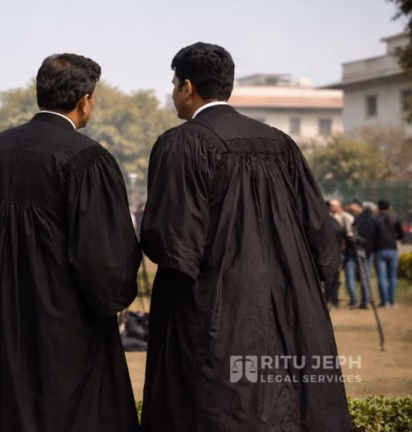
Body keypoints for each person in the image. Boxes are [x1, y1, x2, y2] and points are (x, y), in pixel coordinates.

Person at [138, 43, 350, 431]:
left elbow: (171, 240)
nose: (172, 93)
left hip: (216, 308)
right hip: (290, 301)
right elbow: (320, 233)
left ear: (187, 86)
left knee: (219, 406)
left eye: (173, 84)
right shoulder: (280, 143)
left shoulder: (183, 143)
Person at [0, 54, 140, 432]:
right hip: (68, 327)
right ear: (85, 99)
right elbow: (105, 257)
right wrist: (115, 296)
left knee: (4, 409)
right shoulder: (88, 159)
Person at [372, 199, 404, 308]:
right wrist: (394, 238)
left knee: (381, 276)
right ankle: (392, 301)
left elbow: (372, 234)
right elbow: (401, 234)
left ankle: (384, 301)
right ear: (389, 206)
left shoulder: (375, 219)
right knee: (392, 277)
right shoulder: (395, 218)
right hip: (392, 249)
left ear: (379, 207)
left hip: (379, 249)